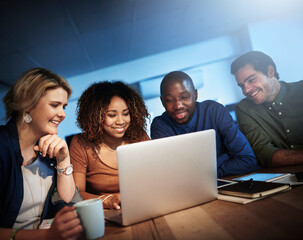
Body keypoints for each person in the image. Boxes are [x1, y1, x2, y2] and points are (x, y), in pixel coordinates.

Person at [0, 68, 83, 240]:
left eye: (64, 106)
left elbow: (69, 203)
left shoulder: (48, 152)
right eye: (55, 105)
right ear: (27, 105)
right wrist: (45, 235)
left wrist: (63, 159)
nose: (62, 114)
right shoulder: (2, 147)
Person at [151, 71, 259, 177]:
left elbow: (248, 160)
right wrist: (223, 160)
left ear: (195, 94)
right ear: (162, 101)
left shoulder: (214, 111)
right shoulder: (160, 126)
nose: (178, 105)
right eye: (169, 100)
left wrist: (202, 172)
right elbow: (173, 176)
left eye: (184, 97)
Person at [70, 81, 149, 210]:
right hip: (105, 213)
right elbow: (76, 194)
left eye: (126, 113)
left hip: (142, 205)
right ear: (95, 116)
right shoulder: (80, 144)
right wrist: (107, 200)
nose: (120, 121)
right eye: (112, 115)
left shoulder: (139, 136)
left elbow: (155, 177)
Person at [230, 51, 303, 167]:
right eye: (242, 86)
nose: (246, 90)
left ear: (270, 72)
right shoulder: (244, 109)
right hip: (284, 177)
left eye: (251, 80)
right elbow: (263, 153)